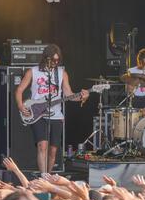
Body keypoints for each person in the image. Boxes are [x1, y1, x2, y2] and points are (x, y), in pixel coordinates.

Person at [15, 44, 90, 173]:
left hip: (56, 114)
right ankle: (43, 176)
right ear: (46, 58)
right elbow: (19, 90)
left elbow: (69, 95)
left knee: (53, 150)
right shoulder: (32, 71)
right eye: (53, 60)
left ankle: (48, 176)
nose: (56, 62)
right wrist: (21, 106)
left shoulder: (62, 73)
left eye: (57, 60)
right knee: (42, 145)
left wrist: (83, 97)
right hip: (37, 113)